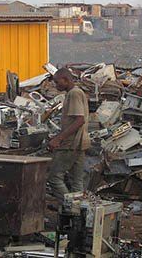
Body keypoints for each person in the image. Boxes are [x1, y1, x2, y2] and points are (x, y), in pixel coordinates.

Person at [47, 67, 91, 200]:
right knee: (77, 181)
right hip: (80, 143)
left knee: (54, 178)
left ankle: (70, 206)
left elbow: (79, 120)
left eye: (57, 82)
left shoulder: (74, 94)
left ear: (65, 80)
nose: (56, 85)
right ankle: (79, 214)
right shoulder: (74, 93)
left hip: (71, 143)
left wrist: (58, 139)